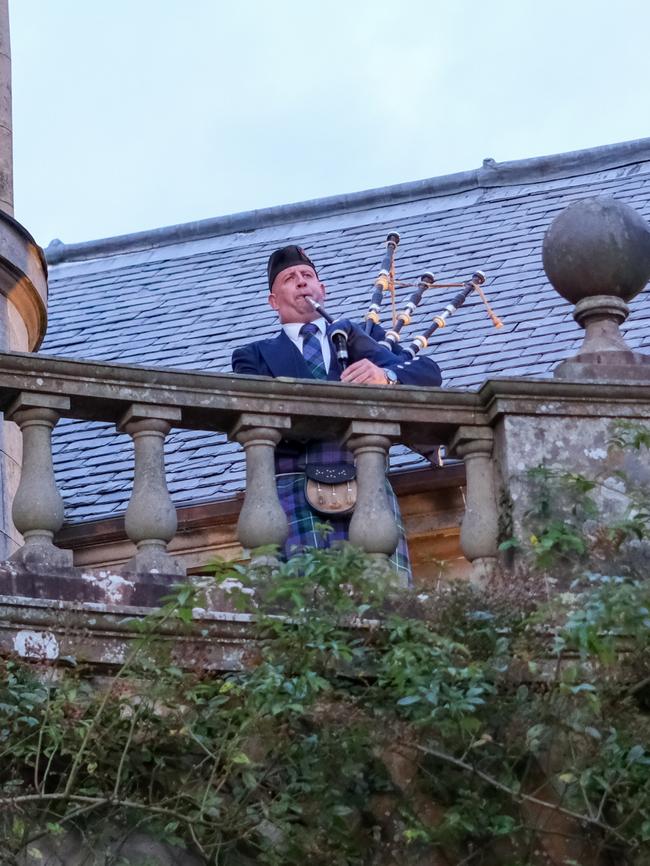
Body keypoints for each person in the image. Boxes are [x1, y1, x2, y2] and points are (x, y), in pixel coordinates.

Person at [231, 245, 442, 583]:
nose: (301, 283)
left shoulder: (359, 338)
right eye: (289, 278)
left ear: (322, 290)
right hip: (293, 487)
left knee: (385, 605)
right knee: (302, 607)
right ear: (273, 300)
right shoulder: (253, 356)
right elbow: (269, 417)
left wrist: (384, 377)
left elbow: (428, 374)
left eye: (307, 276)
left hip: (366, 484)